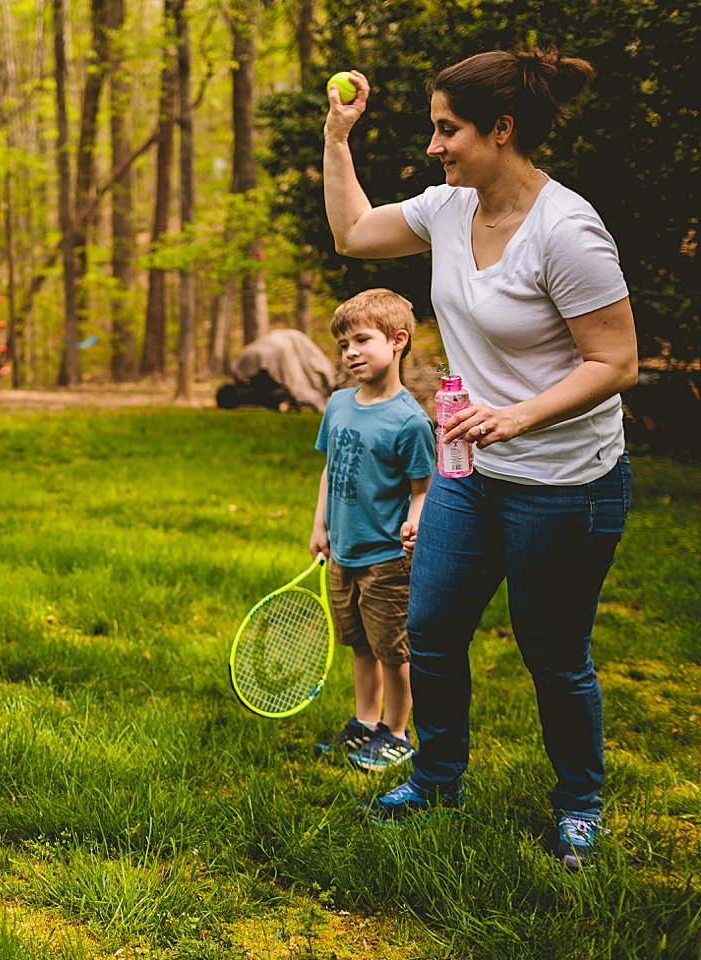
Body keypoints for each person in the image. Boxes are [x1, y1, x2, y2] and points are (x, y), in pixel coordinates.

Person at [323, 49, 638, 870]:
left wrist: (519, 415)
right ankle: (436, 779)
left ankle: (578, 806)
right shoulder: (446, 209)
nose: (435, 146)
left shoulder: (566, 231)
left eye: (448, 129)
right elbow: (354, 232)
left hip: (567, 481)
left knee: (552, 651)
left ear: (502, 131)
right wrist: (336, 135)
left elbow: (616, 362)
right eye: (434, 127)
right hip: (473, 475)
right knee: (430, 629)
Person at [309, 289, 433, 772]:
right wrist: (320, 524)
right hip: (342, 551)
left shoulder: (410, 421)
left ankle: (398, 733)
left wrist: (415, 522)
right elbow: (328, 468)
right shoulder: (338, 404)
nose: (350, 352)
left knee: (391, 650)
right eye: (343, 345)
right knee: (358, 643)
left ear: (398, 341)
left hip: (385, 559)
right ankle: (365, 722)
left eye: (362, 339)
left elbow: (423, 487)